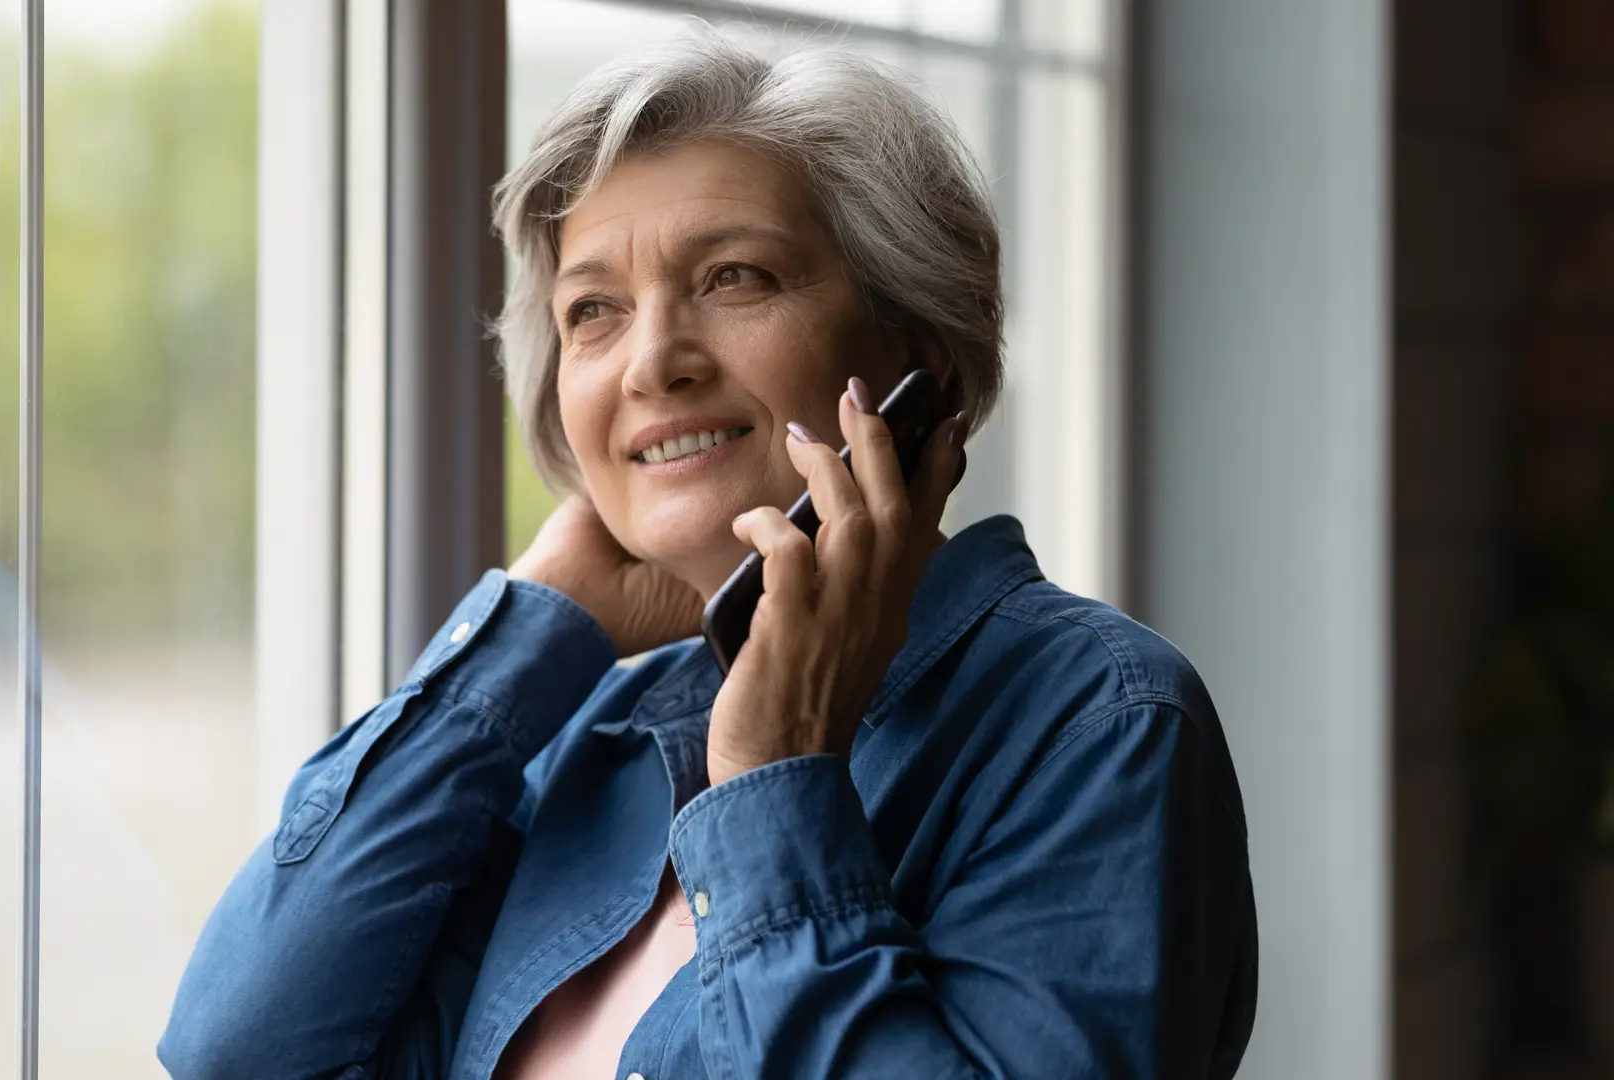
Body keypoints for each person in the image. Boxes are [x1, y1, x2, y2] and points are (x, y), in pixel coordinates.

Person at [160, 27, 1256, 1080]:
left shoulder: (1099, 722)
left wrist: (779, 772)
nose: (652, 363)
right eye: (594, 310)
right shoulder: (588, 736)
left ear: (921, 359)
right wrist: (532, 628)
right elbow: (240, 1048)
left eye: (735, 277)